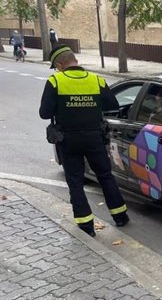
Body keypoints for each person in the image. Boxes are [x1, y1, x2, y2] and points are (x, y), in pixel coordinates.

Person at [39, 44, 130, 236]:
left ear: (61, 64)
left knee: (75, 181)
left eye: (56, 67)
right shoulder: (96, 79)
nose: (57, 70)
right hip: (94, 137)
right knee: (105, 176)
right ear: (75, 61)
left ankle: (86, 226)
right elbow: (113, 105)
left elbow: (44, 113)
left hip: (68, 139)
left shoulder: (55, 81)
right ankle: (120, 216)